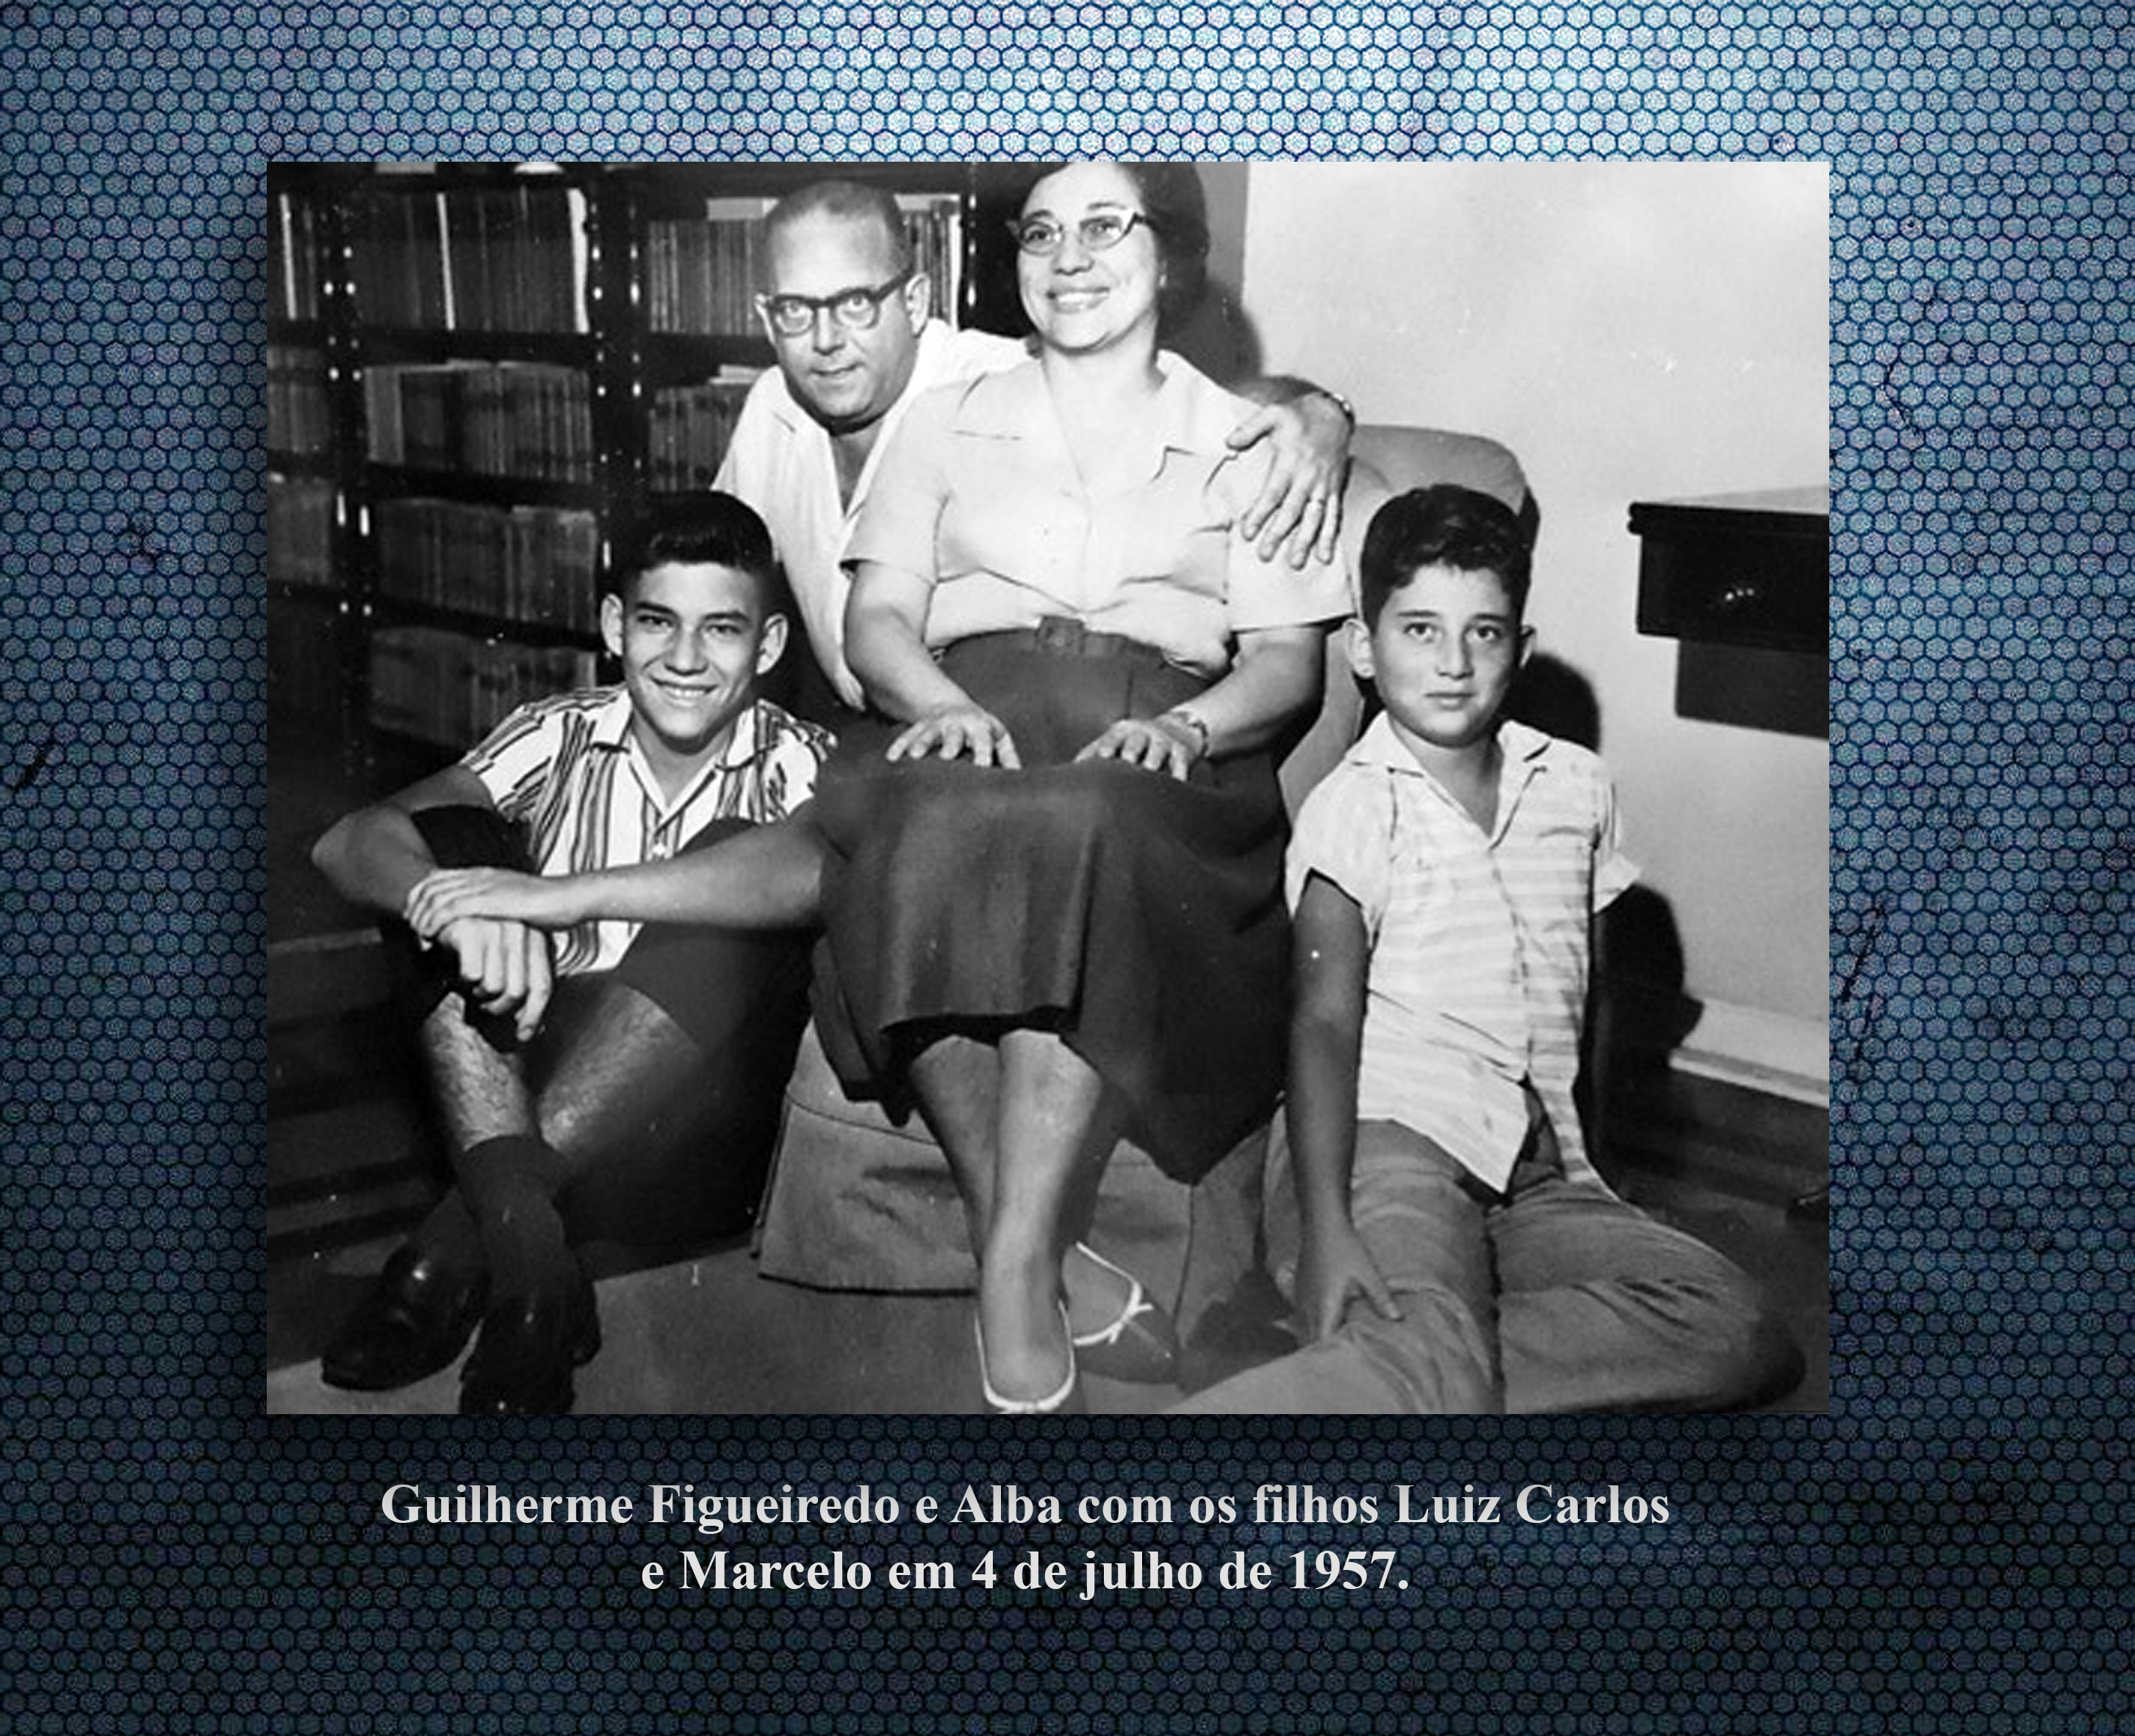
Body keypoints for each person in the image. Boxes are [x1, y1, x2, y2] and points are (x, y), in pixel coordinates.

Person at [406, 164, 1352, 1415]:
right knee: (887, 827)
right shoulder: (944, 420)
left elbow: (1283, 664)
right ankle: (1023, 1247)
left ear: (1168, 255)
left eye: (1104, 227)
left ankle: (1010, 1259)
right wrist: (938, 702)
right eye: (1043, 232)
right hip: (960, 706)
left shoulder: (1240, 438)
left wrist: (1188, 719)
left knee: (1076, 818)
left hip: (1157, 739)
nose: (1069, 257)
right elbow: (874, 618)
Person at [1172, 485, 1801, 1413]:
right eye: (1420, 630)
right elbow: (1322, 1025)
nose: (1454, 663)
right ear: (1364, 648)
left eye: (1485, 633)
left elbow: (1588, 998)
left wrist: (1598, 1175)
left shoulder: (1575, 787)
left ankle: (1402, 1361)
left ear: (1521, 647)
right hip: (1387, 1149)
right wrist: (1330, 1227)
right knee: (1431, 1353)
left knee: (1734, 1324)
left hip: (1533, 1170)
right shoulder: (1358, 805)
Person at [309, 493, 830, 1415]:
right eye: (658, 622)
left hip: (691, 1133)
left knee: (734, 869)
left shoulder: (798, 759)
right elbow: (351, 839)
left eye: (721, 629)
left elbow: (803, 876)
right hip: (515, 1101)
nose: (684, 658)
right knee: (450, 842)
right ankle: (532, 1273)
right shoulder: (558, 731)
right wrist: (459, 909)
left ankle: (448, 1250)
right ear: (614, 625)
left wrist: (554, 898)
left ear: (770, 644)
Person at [714, 175, 1354, 727]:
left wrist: (1324, 416)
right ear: (768, 319)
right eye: (796, 310)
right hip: (862, 712)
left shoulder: (995, 374)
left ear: (914, 301)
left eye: (855, 304)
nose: (825, 340)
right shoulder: (774, 405)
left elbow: (1209, 403)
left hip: (1036, 704)